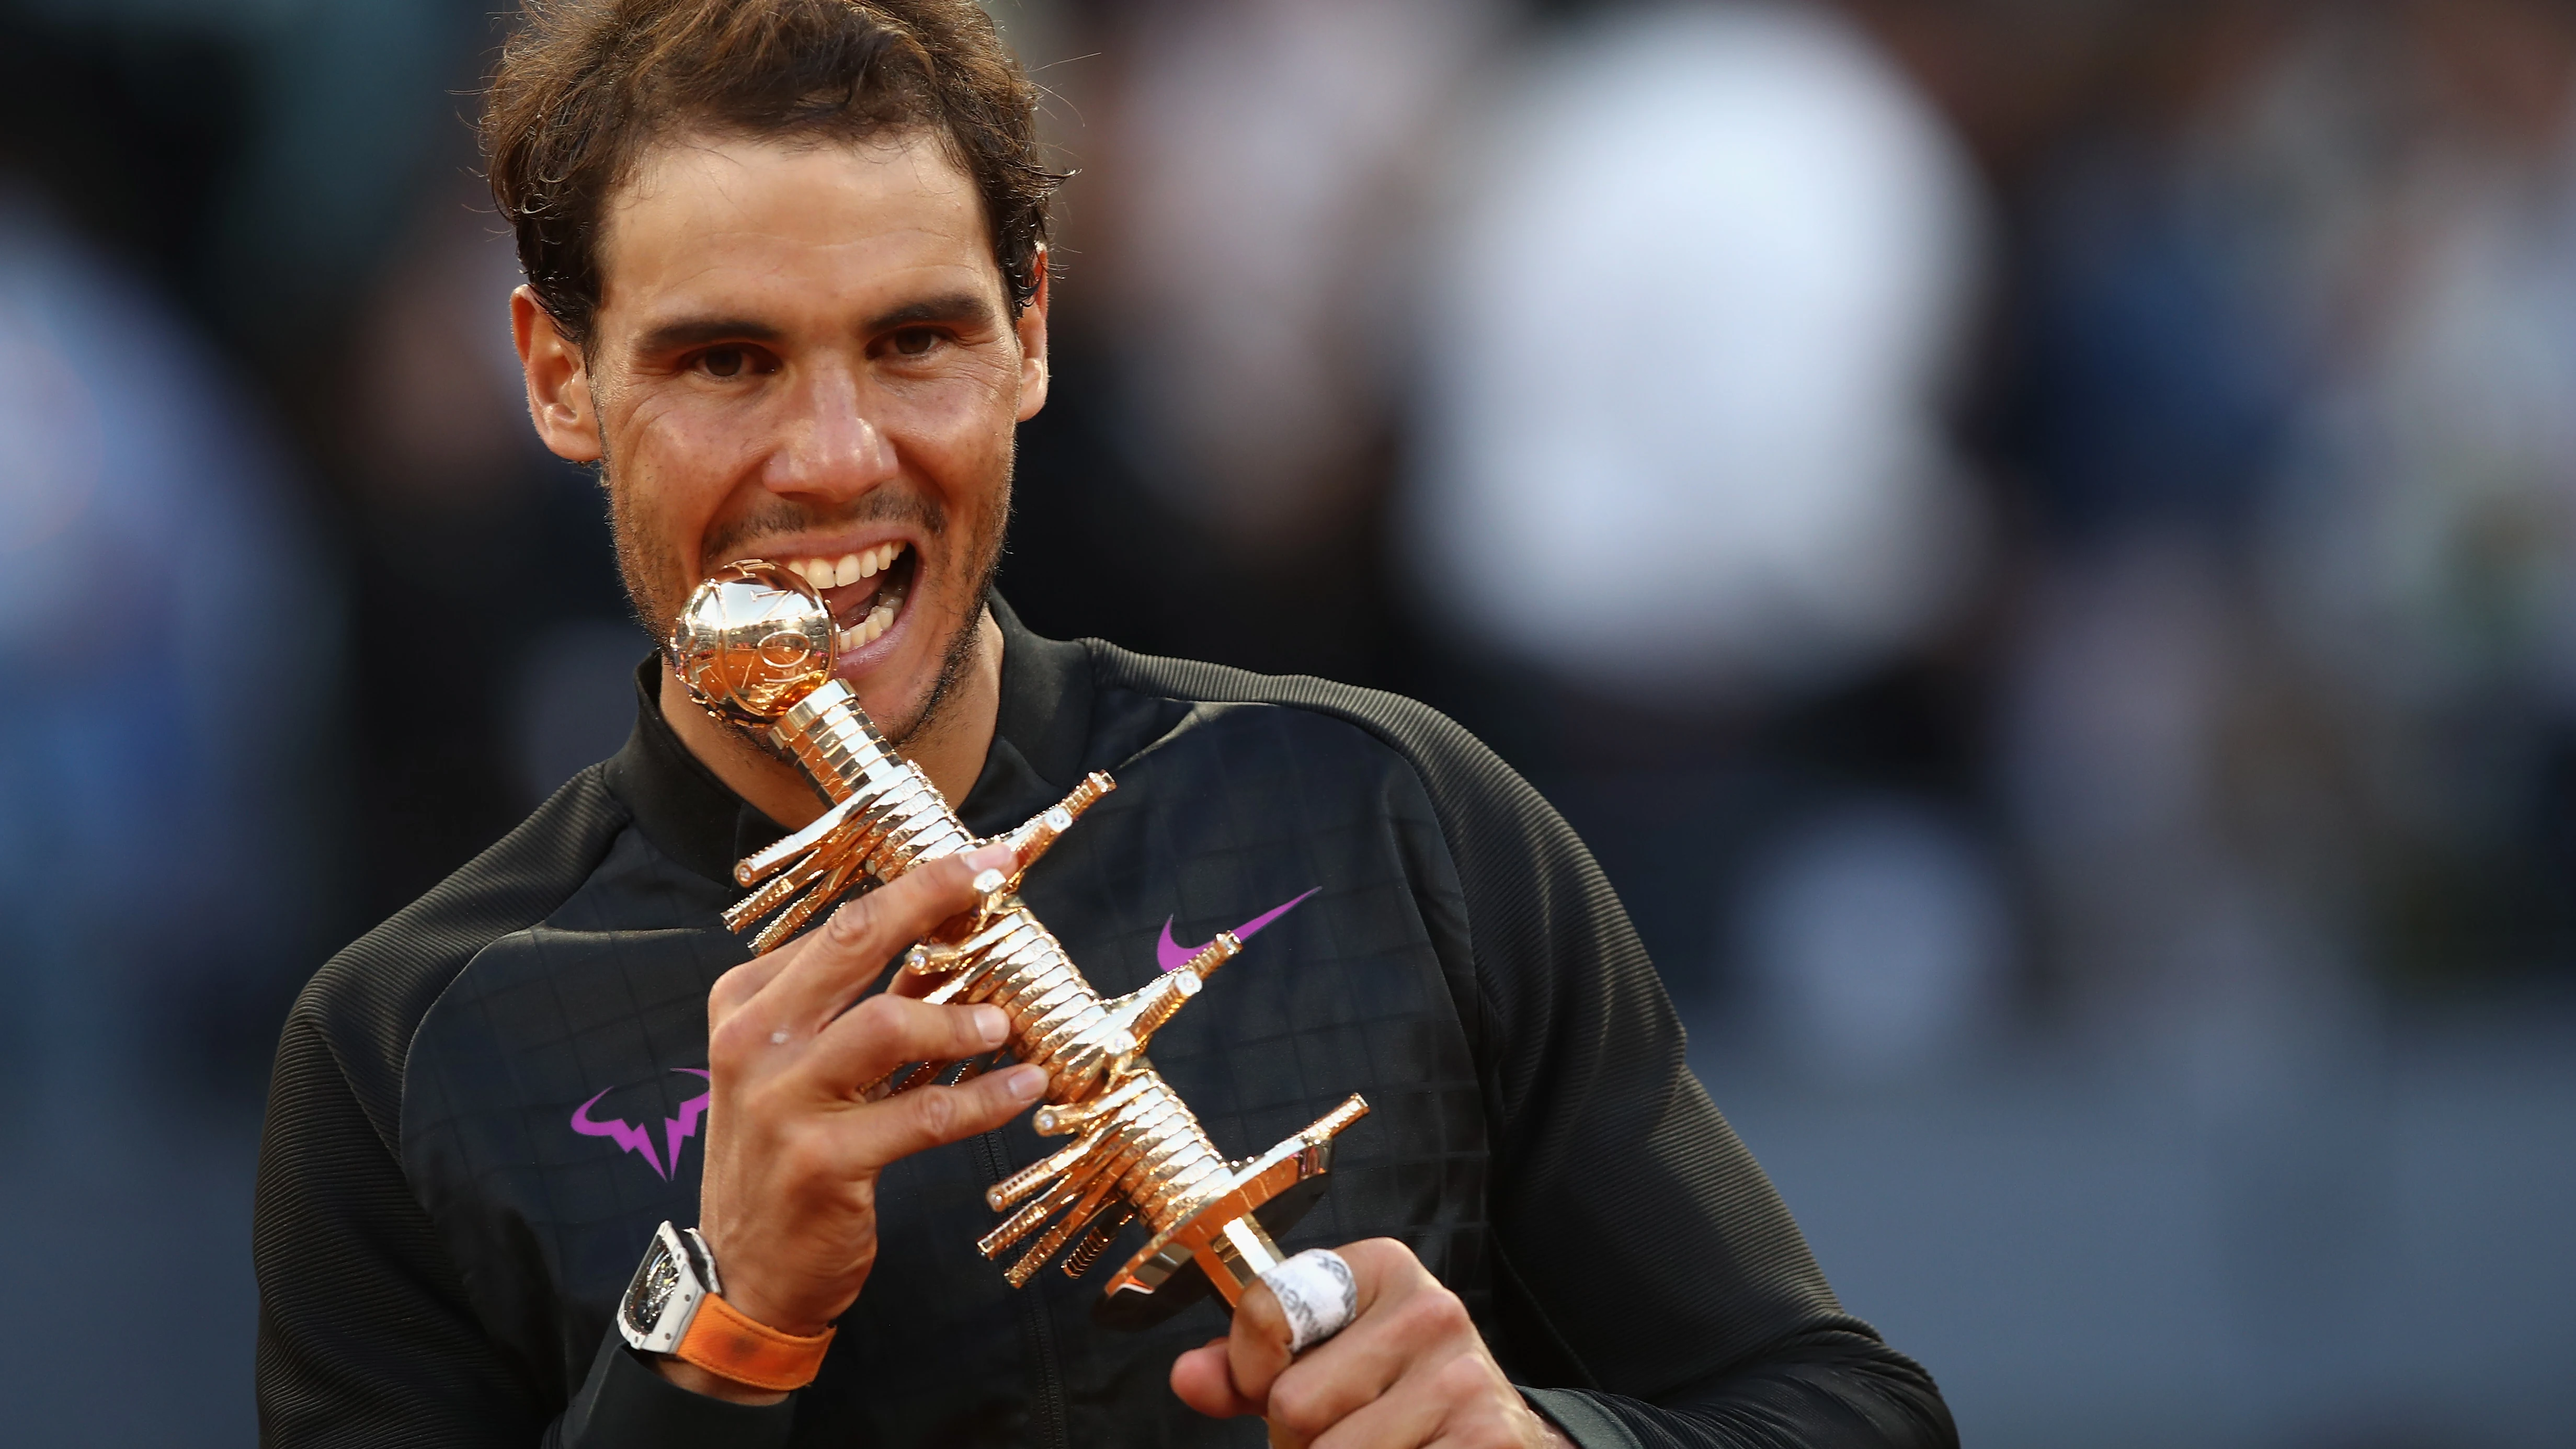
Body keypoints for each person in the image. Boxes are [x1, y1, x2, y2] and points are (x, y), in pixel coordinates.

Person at [251, 2, 1958, 1445]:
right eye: (724, 363)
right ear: (560, 377)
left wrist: (1536, 1437)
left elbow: (1842, 1408)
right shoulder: (408, 1048)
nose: (835, 456)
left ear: (1034, 337)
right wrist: (724, 1331)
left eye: (916, 340)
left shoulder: (1383, 812)